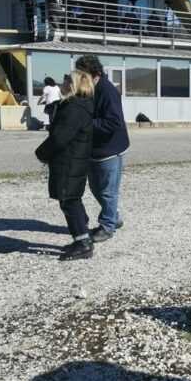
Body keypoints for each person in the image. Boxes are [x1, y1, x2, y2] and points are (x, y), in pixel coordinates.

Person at [35, 71, 96, 261]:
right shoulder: (80, 105)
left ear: (73, 84)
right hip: (74, 159)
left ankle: (83, 243)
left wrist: (41, 153)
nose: (63, 83)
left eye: (66, 80)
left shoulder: (74, 107)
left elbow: (60, 137)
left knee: (69, 200)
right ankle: (83, 236)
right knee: (72, 198)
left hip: (69, 161)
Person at [75, 55, 130, 243]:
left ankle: (107, 226)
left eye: (83, 75)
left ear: (96, 74)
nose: (79, 79)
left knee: (107, 191)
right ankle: (114, 217)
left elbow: (113, 122)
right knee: (96, 188)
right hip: (94, 149)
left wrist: (86, 123)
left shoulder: (108, 91)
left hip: (110, 150)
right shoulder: (87, 89)